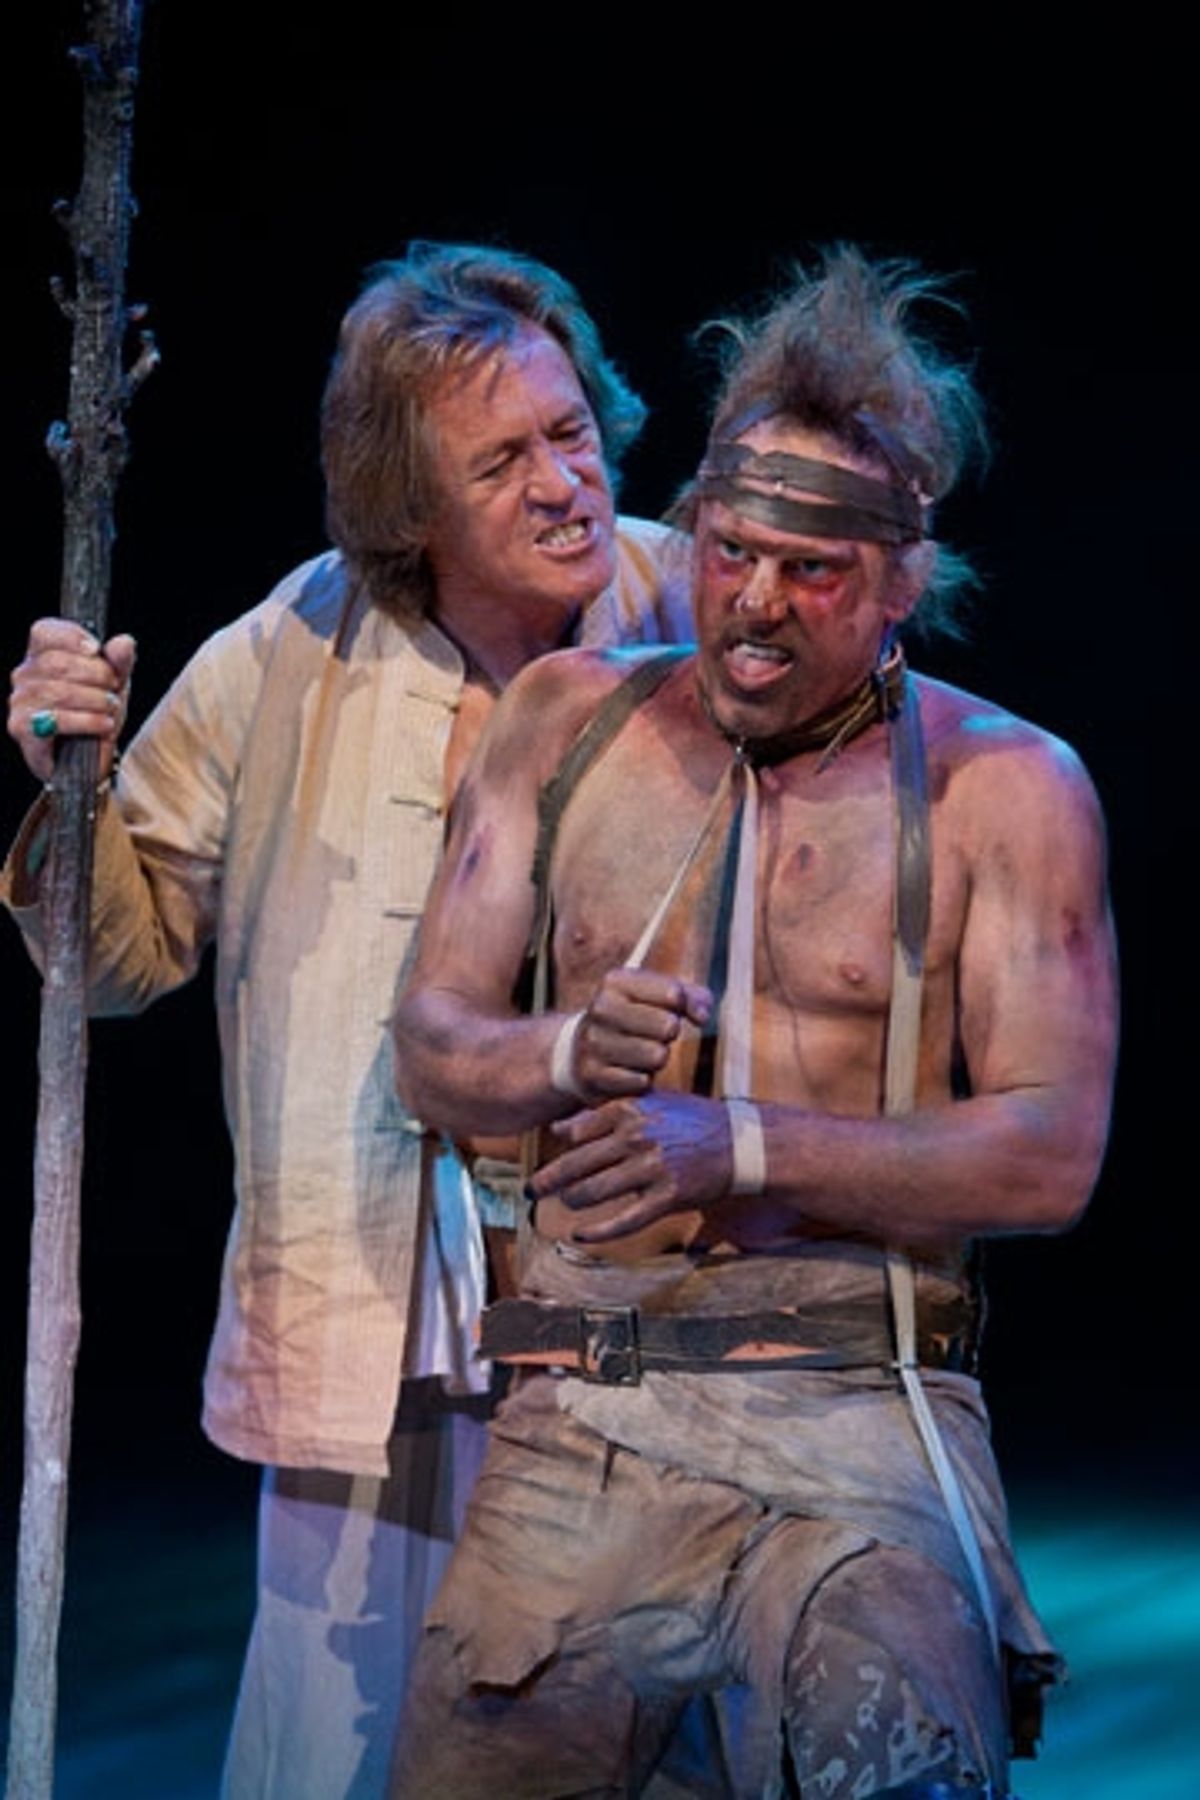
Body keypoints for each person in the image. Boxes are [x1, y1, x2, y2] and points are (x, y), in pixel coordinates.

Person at [388, 245, 1118, 1798]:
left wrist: (743, 1142)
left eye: (814, 572)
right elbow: (434, 1046)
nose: (757, 605)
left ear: (903, 583)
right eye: (731, 553)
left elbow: (1052, 1154)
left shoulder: (1008, 792)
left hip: (859, 1426)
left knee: (894, 1757)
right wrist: (569, 1054)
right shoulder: (562, 728)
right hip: (584, 1413)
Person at [2, 240, 691, 1797]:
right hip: (370, 1310)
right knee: (338, 1748)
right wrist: (71, 787)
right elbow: (113, 955)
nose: (565, 484)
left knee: (624, 1733)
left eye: (571, 431)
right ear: (412, 506)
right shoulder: (284, 656)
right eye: (502, 460)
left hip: (632, 1309)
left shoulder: (696, 619)